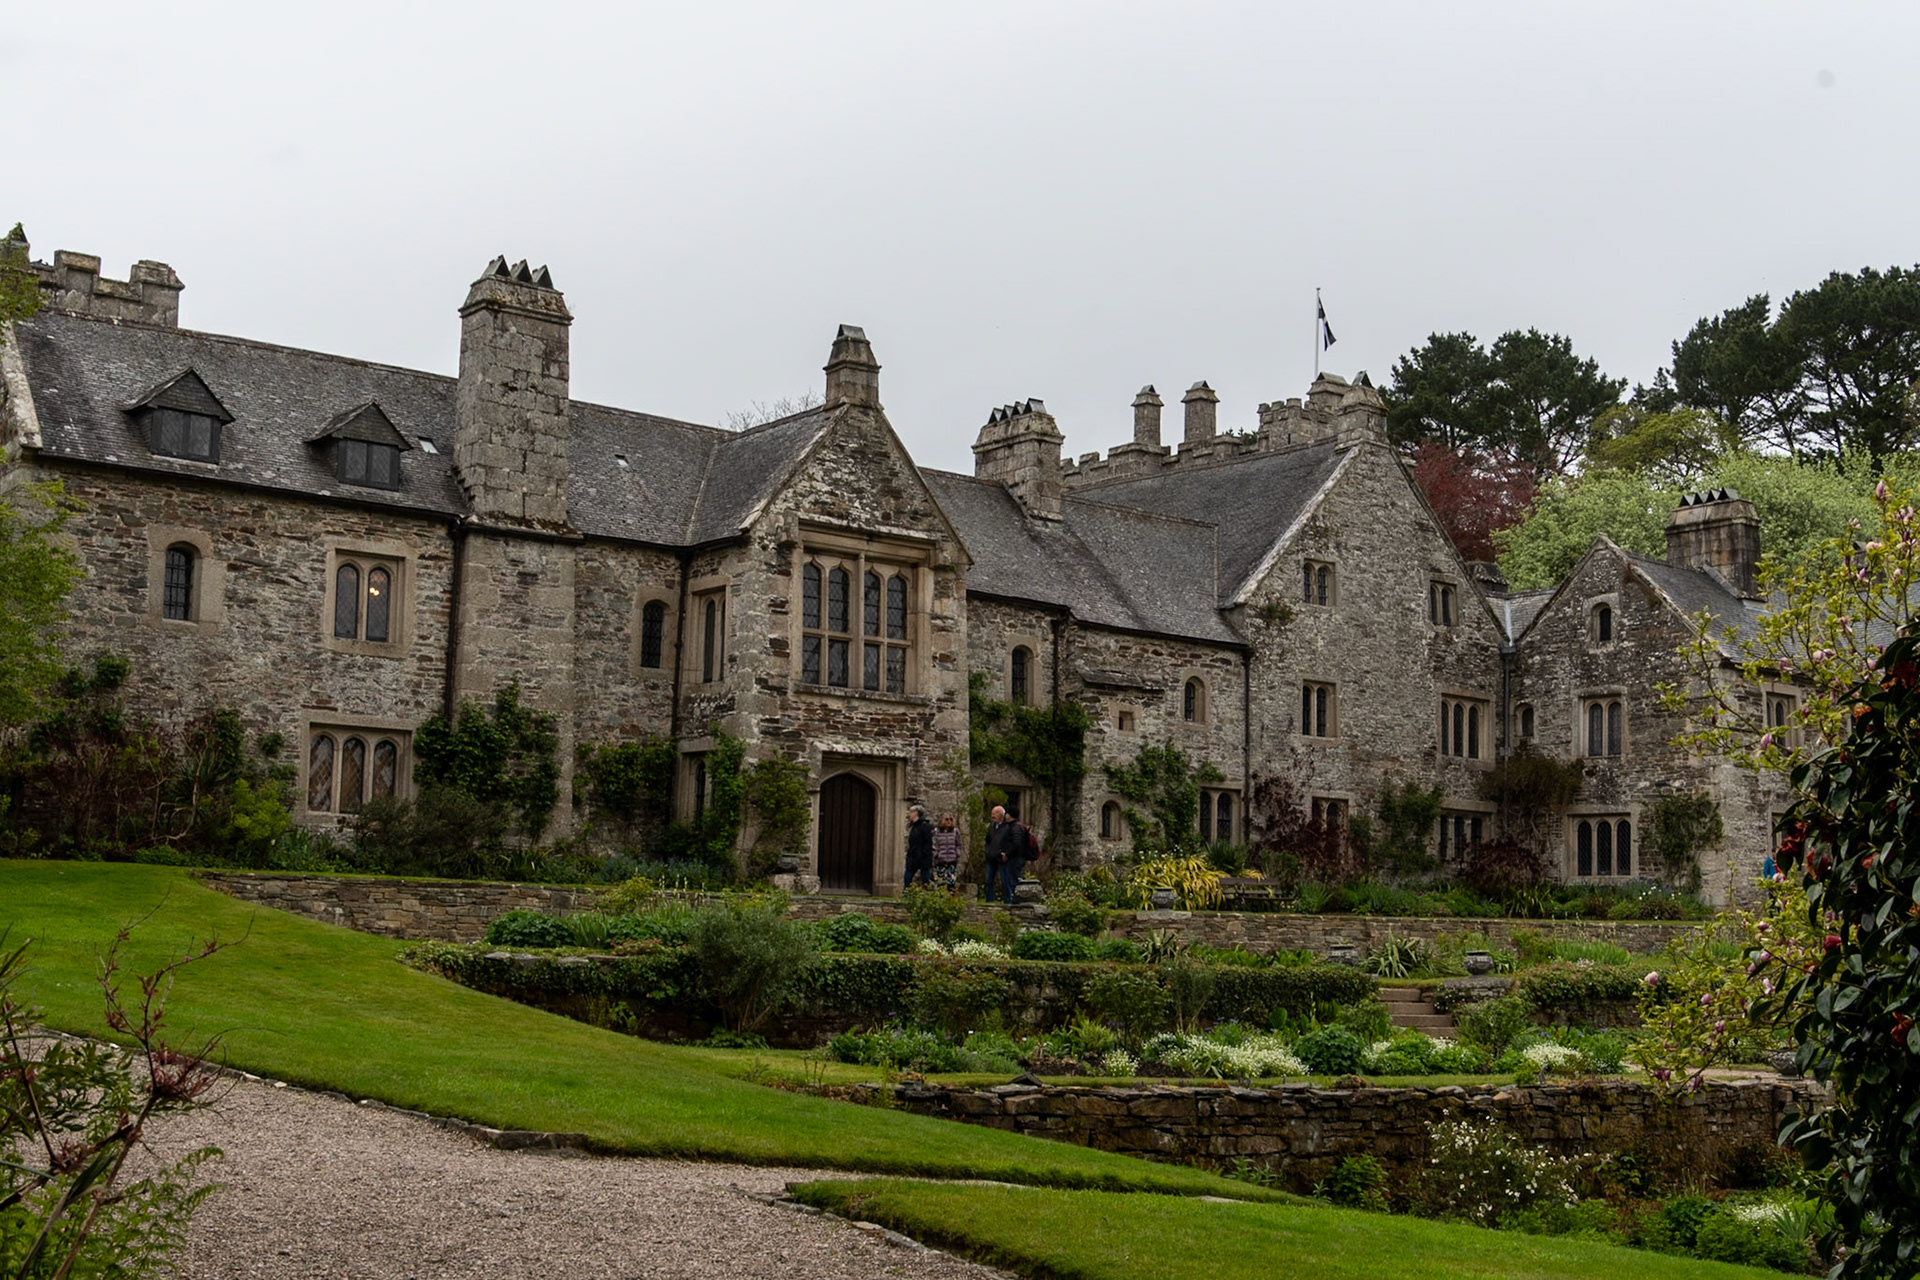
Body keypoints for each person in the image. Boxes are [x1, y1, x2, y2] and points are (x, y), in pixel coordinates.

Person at [984, 804, 1023, 904]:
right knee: (988, 881)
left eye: (995, 813)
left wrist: (1006, 853)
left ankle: (1008, 901)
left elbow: (1013, 842)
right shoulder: (991, 827)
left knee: (1005, 881)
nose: (993, 815)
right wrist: (988, 852)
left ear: (1001, 815)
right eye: (992, 813)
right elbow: (988, 841)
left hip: (1002, 858)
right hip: (991, 858)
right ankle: (989, 901)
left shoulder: (1008, 827)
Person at [904, 805, 934, 889]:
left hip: (923, 856)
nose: (909, 814)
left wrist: (924, 853)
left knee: (925, 878)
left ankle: (926, 895)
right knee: (907, 877)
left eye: (911, 812)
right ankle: (907, 894)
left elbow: (928, 842)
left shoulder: (925, 826)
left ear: (916, 813)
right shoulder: (913, 826)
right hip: (913, 855)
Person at [931, 813, 961, 888]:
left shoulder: (955, 831)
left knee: (951, 883)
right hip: (940, 860)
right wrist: (936, 855)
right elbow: (933, 844)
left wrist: (957, 853)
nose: (949, 821)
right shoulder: (936, 832)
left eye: (951, 819)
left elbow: (958, 844)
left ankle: (951, 898)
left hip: (952, 860)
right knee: (940, 883)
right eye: (947, 819)